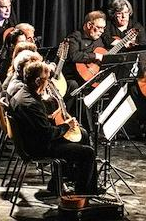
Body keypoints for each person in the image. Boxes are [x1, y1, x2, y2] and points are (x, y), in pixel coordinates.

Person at [10, 61, 96, 195]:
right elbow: (47, 133)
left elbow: (37, 124)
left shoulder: (22, 94)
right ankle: (83, 193)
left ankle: (60, 182)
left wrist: (53, 119)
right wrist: (67, 126)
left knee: (82, 135)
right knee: (88, 152)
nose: (48, 82)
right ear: (38, 81)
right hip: (38, 147)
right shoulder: (31, 103)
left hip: (32, 141)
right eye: (47, 79)